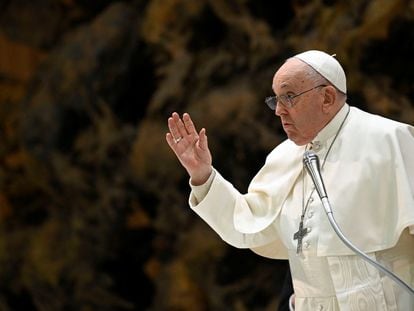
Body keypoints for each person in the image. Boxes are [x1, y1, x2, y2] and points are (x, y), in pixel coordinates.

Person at [165, 50, 414, 310]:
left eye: (289, 97)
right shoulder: (284, 157)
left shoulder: (390, 140)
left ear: (327, 97)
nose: (279, 111)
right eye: (276, 100)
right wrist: (203, 175)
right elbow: (246, 227)